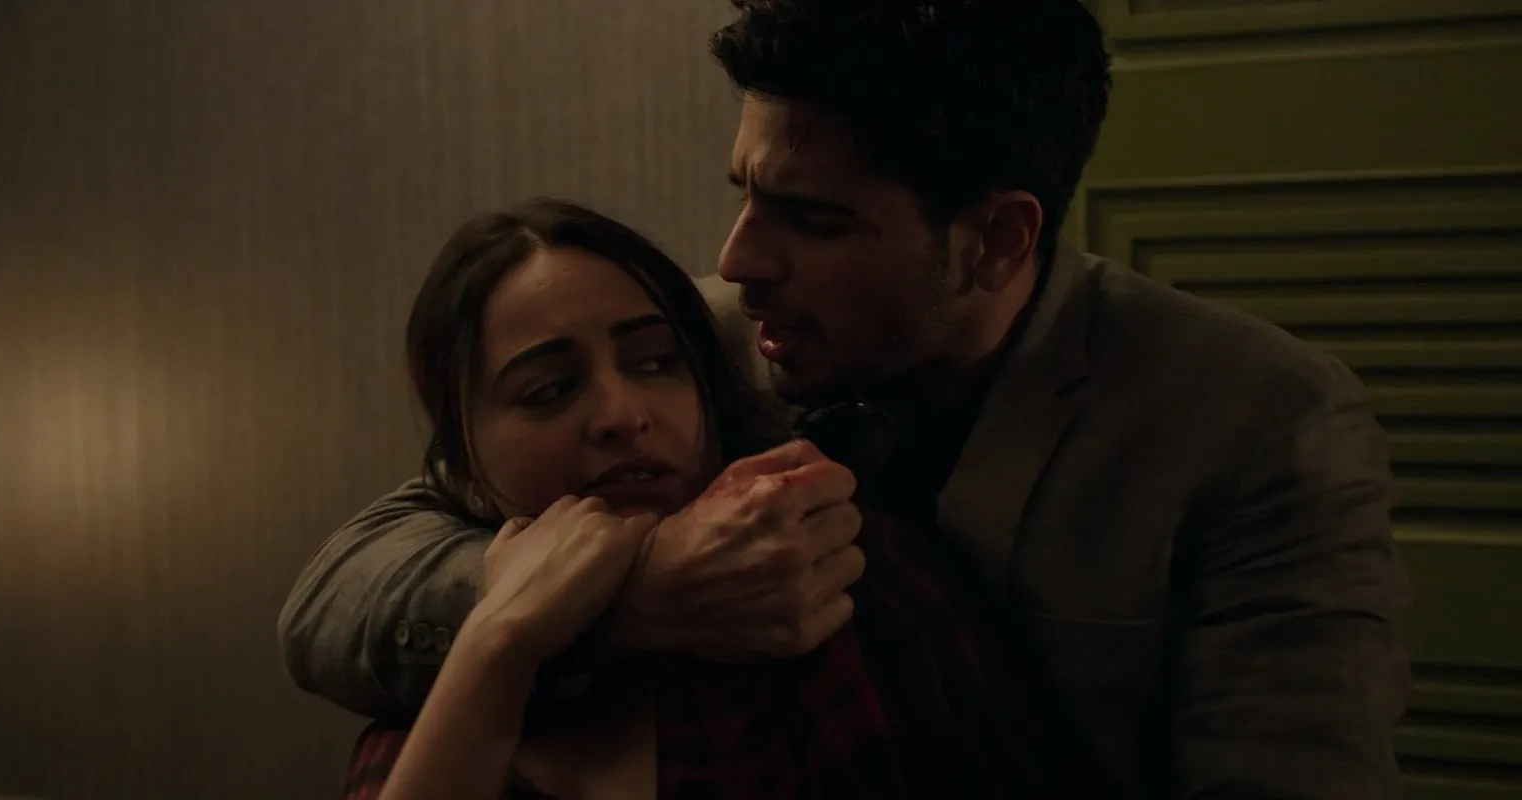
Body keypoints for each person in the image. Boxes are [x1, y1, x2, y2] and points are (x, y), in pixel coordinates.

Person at [279, 0, 1413, 796]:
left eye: (812, 219)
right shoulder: (692, 350)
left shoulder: (1256, 421)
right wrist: (634, 594)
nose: (738, 258)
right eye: (745, 193)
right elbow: (337, 596)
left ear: (994, 238)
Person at [339, 198, 1099, 799]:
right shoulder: (433, 686)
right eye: (549, 390)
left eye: (656, 362)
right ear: (464, 470)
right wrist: (499, 648)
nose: (621, 413)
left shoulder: (843, 580)